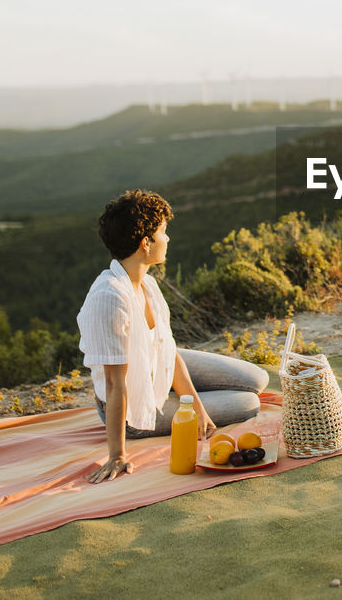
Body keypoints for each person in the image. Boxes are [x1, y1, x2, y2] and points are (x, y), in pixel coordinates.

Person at [77, 189, 269, 483]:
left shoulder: (149, 286)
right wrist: (117, 455)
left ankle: (182, 396)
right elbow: (116, 385)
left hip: (156, 367)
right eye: (163, 232)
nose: (168, 239)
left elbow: (167, 351)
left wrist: (196, 407)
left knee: (257, 380)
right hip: (130, 409)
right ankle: (167, 403)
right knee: (248, 403)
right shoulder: (109, 298)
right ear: (145, 243)